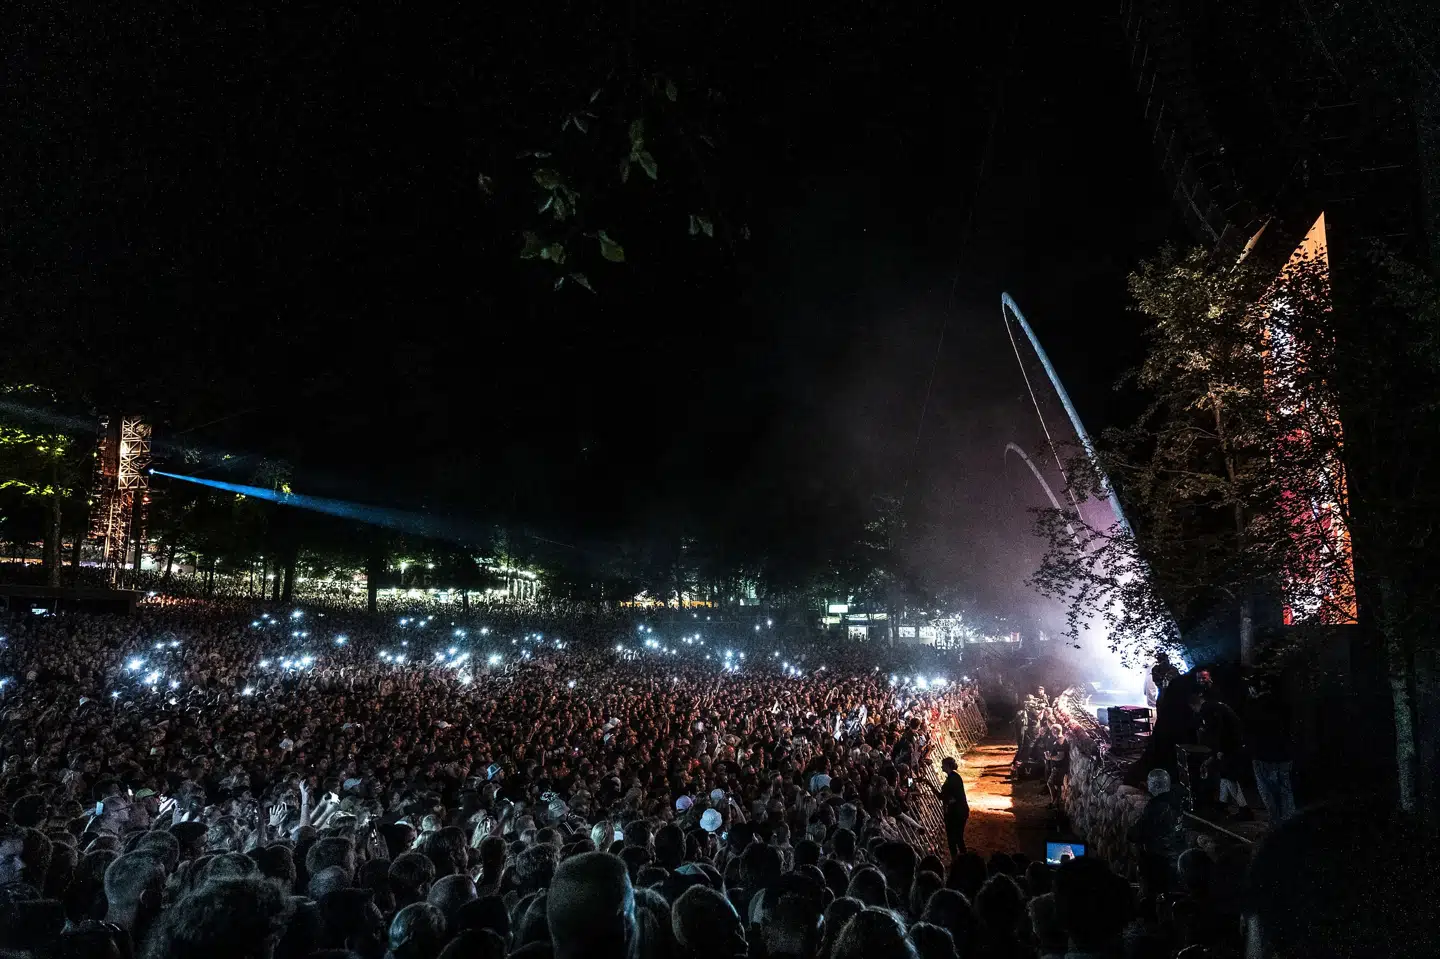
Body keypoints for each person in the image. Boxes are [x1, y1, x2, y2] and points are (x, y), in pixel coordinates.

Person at [1127, 768, 1186, 897]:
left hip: (1158, 859)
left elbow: (1139, 831)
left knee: (1154, 893)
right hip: (1176, 856)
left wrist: (1131, 832)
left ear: (1154, 785)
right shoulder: (1176, 801)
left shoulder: (1156, 807)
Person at [1245, 675, 1295, 823]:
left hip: (1262, 755)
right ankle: (1289, 821)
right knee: (1286, 789)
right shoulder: (1283, 703)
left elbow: (1248, 729)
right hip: (1284, 753)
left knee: (1268, 792)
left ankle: (1275, 823)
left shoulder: (1253, 706)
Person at [932, 757, 968, 858]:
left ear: (947, 766)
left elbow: (942, 797)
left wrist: (928, 783)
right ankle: (960, 859)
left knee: (955, 838)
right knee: (956, 837)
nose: (941, 766)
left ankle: (961, 859)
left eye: (943, 765)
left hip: (957, 812)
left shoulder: (952, 779)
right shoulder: (954, 777)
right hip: (957, 811)